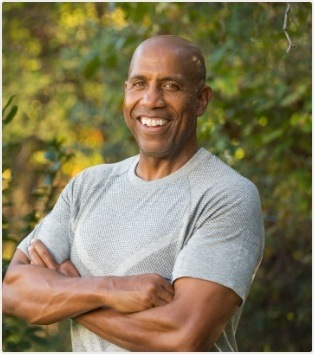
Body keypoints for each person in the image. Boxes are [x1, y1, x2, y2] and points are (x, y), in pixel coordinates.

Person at [3, 35, 264, 352]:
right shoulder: (88, 185)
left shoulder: (226, 195)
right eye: (140, 84)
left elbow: (182, 335)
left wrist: (66, 291)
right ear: (126, 91)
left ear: (201, 99)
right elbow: (13, 291)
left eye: (171, 86)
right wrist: (108, 290)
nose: (152, 100)